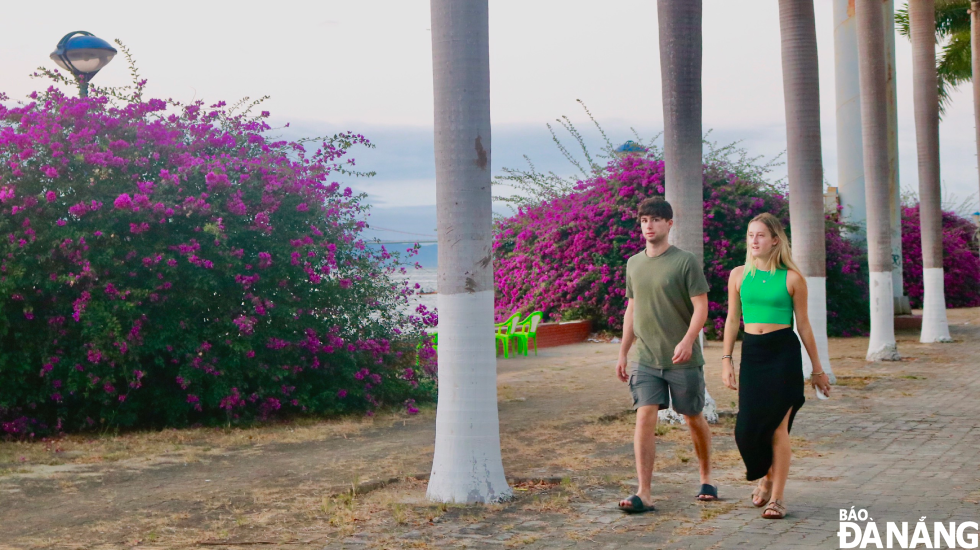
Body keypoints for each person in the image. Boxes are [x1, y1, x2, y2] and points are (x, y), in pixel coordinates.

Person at [721, 213, 832, 519]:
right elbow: (732, 320)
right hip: (754, 354)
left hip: (783, 354)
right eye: (750, 235)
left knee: (778, 428)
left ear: (775, 240)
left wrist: (818, 370)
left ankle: (778, 498)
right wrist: (726, 359)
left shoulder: (792, 278)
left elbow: (805, 327)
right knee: (746, 429)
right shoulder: (738, 275)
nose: (753, 241)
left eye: (760, 235)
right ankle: (767, 476)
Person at [616, 197, 716, 514]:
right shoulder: (633, 264)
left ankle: (706, 478)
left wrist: (688, 340)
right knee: (644, 415)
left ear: (669, 224)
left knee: (692, 416)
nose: (650, 225)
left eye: (656, 219)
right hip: (646, 358)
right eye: (645, 219)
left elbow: (702, 306)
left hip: (682, 358)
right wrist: (622, 352)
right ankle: (644, 492)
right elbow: (632, 308)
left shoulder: (684, 262)